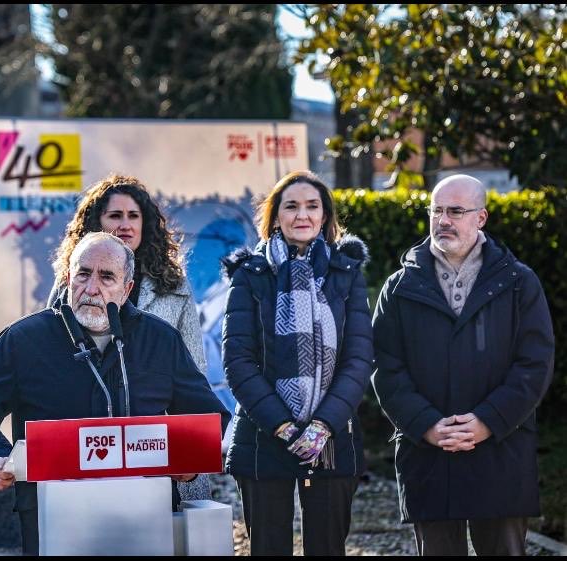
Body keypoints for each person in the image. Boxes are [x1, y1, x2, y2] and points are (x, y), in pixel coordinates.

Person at [0, 232, 230, 556]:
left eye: (106, 277)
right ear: (69, 278)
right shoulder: (24, 340)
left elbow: (209, 416)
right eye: (83, 274)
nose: (92, 288)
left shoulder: (160, 339)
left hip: (144, 515)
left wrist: (188, 462)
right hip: (51, 515)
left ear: (127, 288)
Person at [371, 174, 554, 556]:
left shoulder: (519, 282)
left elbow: (534, 364)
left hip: (500, 450)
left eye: (455, 211)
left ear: (481, 217)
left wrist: (488, 421)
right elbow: (385, 367)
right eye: (436, 211)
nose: (443, 220)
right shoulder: (399, 287)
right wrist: (426, 424)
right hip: (428, 452)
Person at [222, 170, 373, 556]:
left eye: (312, 206)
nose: (302, 215)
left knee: (327, 548)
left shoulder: (346, 273)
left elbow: (357, 360)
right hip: (263, 435)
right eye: (291, 206)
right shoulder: (250, 274)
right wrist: (284, 426)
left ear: (325, 216)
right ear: (275, 216)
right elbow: (238, 361)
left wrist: (321, 426)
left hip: (331, 436)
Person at [47, 174, 212, 501]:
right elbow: (52, 349)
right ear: (96, 223)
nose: (125, 224)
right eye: (115, 215)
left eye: (133, 216)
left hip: (154, 443)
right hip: (88, 440)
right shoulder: (71, 285)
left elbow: (194, 368)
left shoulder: (173, 285)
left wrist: (187, 451)